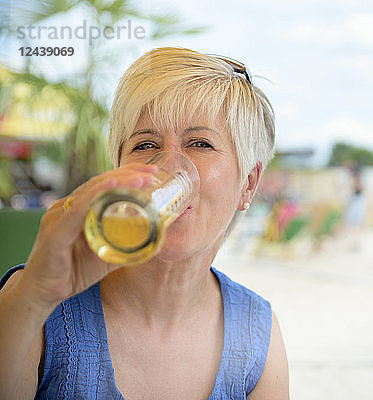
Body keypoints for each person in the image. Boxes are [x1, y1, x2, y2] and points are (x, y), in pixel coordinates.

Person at [0, 47, 289, 399]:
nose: (168, 167)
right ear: (119, 170)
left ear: (248, 184)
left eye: (200, 143)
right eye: (145, 144)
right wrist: (36, 294)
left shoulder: (256, 332)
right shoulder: (33, 303)